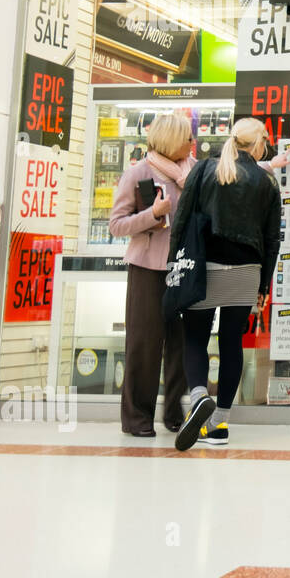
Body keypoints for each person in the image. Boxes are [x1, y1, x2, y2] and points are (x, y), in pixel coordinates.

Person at [169, 118, 282, 451]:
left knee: (195, 339)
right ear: (259, 144)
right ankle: (219, 426)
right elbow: (272, 237)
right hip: (246, 272)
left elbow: (182, 219)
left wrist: (174, 263)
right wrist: (263, 283)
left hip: (205, 268)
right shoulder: (267, 180)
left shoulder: (203, 170)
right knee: (232, 342)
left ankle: (200, 395)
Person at [108, 114, 194, 436]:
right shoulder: (138, 173)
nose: (191, 144)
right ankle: (137, 419)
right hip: (147, 270)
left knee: (181, 345)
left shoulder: (192, 172)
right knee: (144, 345)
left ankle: (174, 415)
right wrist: (152, 214)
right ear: (171, 140)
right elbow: (116, 225)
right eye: (186, 138)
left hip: (183, 270)